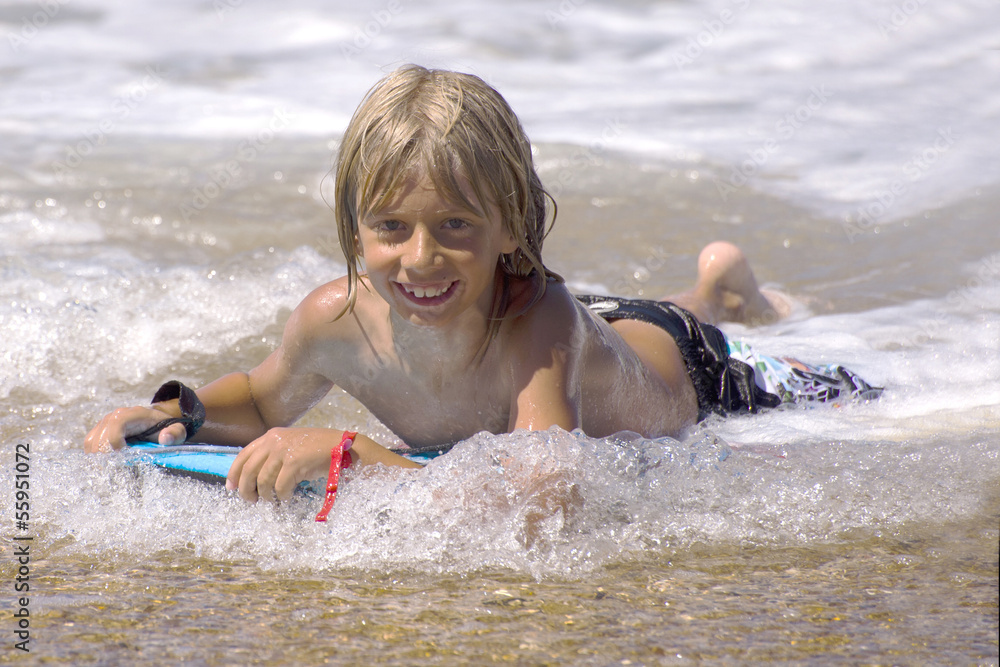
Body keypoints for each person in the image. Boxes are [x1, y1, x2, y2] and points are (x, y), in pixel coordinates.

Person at [84, 65, 879, 505]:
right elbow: (259, 403)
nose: (421, 257)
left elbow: (545, 498)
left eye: (456, 227)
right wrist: (172, 413)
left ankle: (722, 293)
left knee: (863, 392)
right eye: (391, 228)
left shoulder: (538, 325)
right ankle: (712, 280)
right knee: (638, 312)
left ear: (510, 229)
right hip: (593, 328)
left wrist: (352, 454)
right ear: (355, 226)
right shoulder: (334, 320)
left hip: (696, 370)